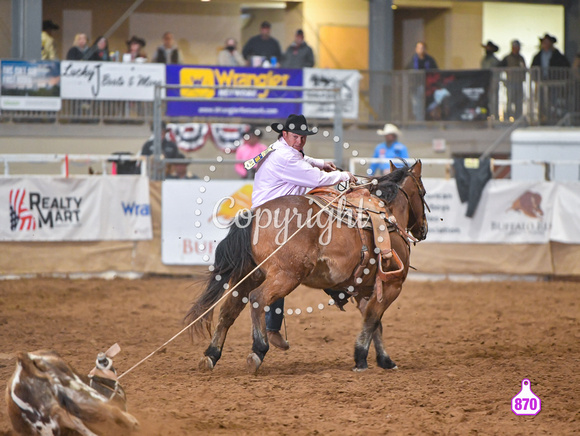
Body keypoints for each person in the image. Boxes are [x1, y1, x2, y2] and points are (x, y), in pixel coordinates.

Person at [251, 114, 356, 350]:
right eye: (295, 136)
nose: (299, 141)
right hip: (276, 219)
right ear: (285, 135)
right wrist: (344, 176)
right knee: (302, 257)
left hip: (271, 215)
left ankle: (272, 328)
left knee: (285, 269)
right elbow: (317, 179)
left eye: (302, 137)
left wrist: (318, 161)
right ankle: (336, 288)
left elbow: (302, 158)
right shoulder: (286, 158)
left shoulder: (281, 149)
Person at [406, 42, 438, 121]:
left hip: (428, 87)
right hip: (415, 86)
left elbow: (436, 71)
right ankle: (419, 122)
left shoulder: (430, 60)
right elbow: (407, 71)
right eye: (418, 48)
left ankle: (428, 121)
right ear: (416, 49)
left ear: (425, 49)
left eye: (422, 48)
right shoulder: (412, 60)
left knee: (428, 105)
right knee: (416, 105)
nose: (420, 50)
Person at [499, 40, 527, 119]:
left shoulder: (521, 58)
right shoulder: (507, 58)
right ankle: (507, 117)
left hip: (519, 82)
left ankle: (518, 117)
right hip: (510, 82)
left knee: (519, 101)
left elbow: (524, 69)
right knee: (510, 100)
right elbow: (500, 68)